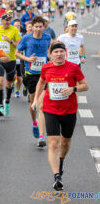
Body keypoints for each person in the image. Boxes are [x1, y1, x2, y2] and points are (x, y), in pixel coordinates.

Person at [32, 42, 88, 191]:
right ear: (51, 54)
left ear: (66, 53)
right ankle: (57, 176)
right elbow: (41, 82)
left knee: (65, 142)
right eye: (55, 52)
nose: (58, 54)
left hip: (69, 110)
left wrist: (73, 89)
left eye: (61, 52)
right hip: (51, 109)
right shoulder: (46, 67)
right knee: (54, 143)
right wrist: (36, 100)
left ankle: (61, 160)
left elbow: (85, 85)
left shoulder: (73, 68)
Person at [16, 16, 52, 147]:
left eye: (40, 26)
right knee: (33, 103)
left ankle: (41, 136)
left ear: (44, 27)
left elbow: (49, 49)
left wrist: (49, 56)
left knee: (41, 104)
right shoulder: (26, 38)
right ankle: (34, 122)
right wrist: (27, 59)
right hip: (31, 74)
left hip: (45, 73)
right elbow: (17, 53)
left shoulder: (47, 37)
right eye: (36, 26)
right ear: (33, 27)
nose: (38, 29)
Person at [0, 13, 21, 116]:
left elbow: (19, 45)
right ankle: (0, 107)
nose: (8, 21)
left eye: (9, 20)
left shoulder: (14, 30)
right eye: (6, 20)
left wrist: (10, 41)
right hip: (0, 60)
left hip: (11, 60)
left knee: (8, 84)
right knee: (0, 82)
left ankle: (7, 101)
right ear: (2, 21)